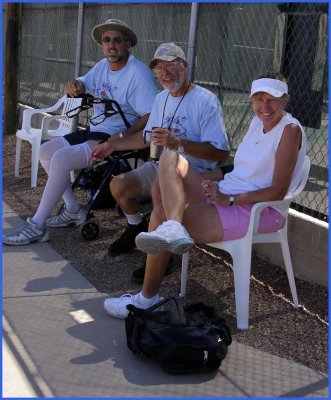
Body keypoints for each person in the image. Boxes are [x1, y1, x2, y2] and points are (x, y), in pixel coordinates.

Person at [102, 71, 307, 318]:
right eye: (258, 99)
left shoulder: (290, 130)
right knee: (169, 159)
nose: (264, 106)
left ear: (286, 100)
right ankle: (172, 233)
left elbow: (278, 190)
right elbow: (240, 170)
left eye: (272, 99)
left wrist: (229, 199)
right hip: (228, 194)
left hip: (256, 209)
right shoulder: (258, 122)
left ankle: (147, 296)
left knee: (160, 212)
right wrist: (212, 182)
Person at [3, 19, 157, 246]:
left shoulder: (138, 73)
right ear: (101, 45)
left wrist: (123, 137)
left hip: (114, 137)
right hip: (95, 130)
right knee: (46, 151)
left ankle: (36, 225)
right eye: (106, 40)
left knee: (62, 159)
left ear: (128, 44)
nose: (111, 45)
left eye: (117, 40)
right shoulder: (102, 66)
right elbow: (84, 83)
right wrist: (75, 85)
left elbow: (151, 115)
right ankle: (74, 210)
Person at [90, 42, 230, 275]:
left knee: (158, 188)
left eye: (170, 67)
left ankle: (162, 255)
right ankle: (136, 228)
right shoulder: (161, 98)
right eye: (159, 69)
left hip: (193, 171)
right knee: (118, 185)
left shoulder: (206, 100)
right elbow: (147, 139)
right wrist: (111, 145)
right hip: (160, 164)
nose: (164, 74)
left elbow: (220, 152)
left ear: (184, 66)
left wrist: (180, 144)